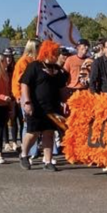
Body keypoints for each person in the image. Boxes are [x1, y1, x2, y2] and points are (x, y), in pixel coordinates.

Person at [19, 40, 68, 171]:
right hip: (36, 106)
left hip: (52, 107)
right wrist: (27, 102)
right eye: (55, 53)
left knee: (49, 133)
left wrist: (68, 101)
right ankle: (24, 155)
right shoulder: (34, 66)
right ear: (48, 52)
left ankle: (48, 161)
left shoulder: (58, 70)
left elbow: (63, 89)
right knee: (32, 133)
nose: (57, 55)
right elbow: (24, 84)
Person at [3, 49, 21, 152]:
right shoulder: (1, 68)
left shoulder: (15, 67)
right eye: (6, 56)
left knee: (13, 119)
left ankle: (14, 141)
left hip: (13, 95)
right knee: (5, 120)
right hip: (4, 96)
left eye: (9, 56)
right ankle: (6, 142)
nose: (8, 59)